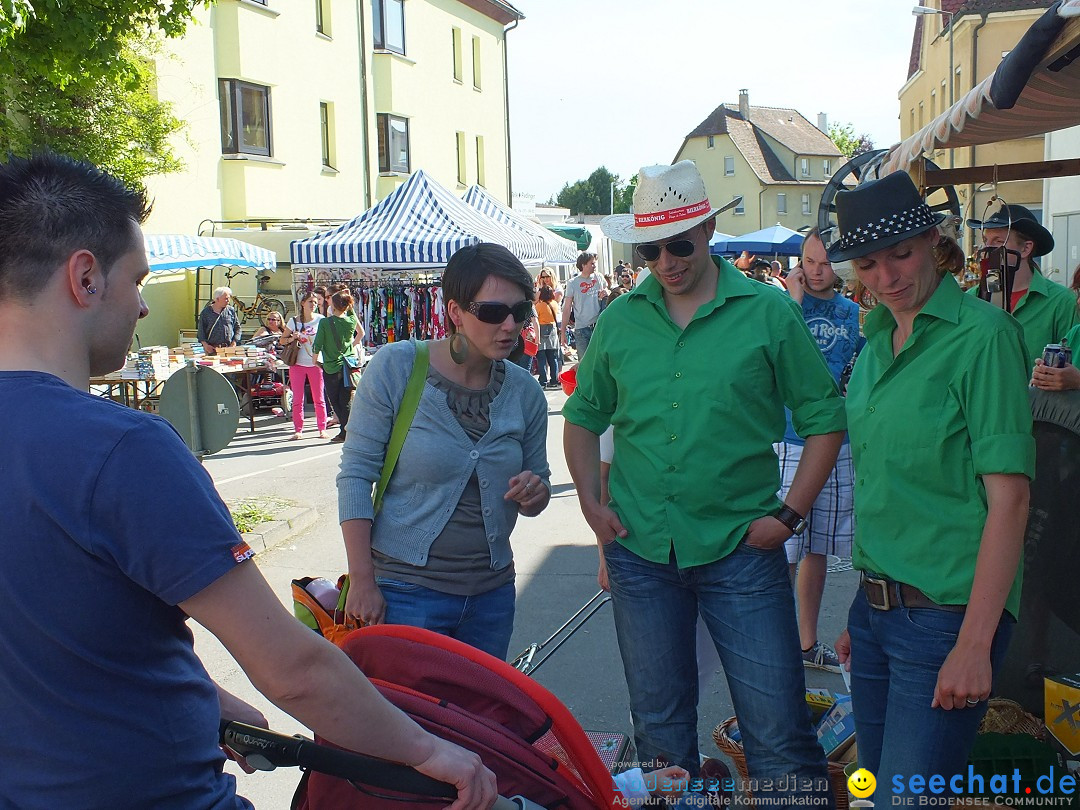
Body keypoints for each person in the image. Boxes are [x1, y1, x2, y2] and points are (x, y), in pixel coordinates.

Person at [0, 152, 497, 810]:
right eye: (137, 280)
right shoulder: (121, 450)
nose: (143, 305)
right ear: (85, 277)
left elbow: (57, 639)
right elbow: (291, 667)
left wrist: (205, 698)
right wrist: (430, 752)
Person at [563, 160, 844, 799]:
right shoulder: (621, 318)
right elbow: (582, 416)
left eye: (680, 244)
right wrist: (588, 500)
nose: (666, 261)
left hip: (741, 552)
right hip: (641, 551)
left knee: (778, 735)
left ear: (709, 228)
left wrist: (790, 516)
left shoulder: (767, 312)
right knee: (660, 736)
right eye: (650, 248)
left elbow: (826, 417)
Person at [830, 172, 1033, 791]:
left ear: (930, 240)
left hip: (946, 617)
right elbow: (885, 485)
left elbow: (1011, 501)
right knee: (871, 787)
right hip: (875, 611)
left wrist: (975, 643)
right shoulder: (874, 344)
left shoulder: (984, 338)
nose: (888, 276)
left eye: (901, 254)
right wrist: (862, 610)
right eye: (869, 263)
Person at [339, 243, 551, 661]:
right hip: (404, 593)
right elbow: (355, 475)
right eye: (492, 312)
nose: (510, 325)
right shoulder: (396, 368)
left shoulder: (525, 392)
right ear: (455, 312)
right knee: (407, 723)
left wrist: (535, 491)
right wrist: (363, 581)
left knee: (476, 723)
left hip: (491, 596)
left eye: (520, 311)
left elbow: (538, 486)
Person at [778, 227, 863, 673]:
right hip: (792, 439)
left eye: (825, 262)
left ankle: (806, 643)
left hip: (838, 440)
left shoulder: (852, 313)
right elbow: (774, 353)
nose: (815, 271)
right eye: (808, 260)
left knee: (817, 549)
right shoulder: (783, 306)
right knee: (783, 549)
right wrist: (792, 299)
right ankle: (774, 645)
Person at [967, 203, 1078, 367]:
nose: (987, 248)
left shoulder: (1062, 302)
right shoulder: (971, 300)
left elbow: (1073, 368)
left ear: (1026, 248)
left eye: (998, 241)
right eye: (985, 241)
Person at [312, 289, 364, 444]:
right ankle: (346, 431)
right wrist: (350, 347)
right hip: (348, 365)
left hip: (331, 366)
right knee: (346, 400)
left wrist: (315, 360)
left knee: (335, 401)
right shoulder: (350, 321)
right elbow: (361, 333)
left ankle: (346, 431)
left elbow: (318, 343)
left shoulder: (325, 322)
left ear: (333, 306)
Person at [282, 291, 328, 440]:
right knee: (297, 399)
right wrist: (292, 338)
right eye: (310, 302)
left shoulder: (321, 320)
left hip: (315, 363)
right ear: (303, 304)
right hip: (297, 364)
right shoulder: (294, 321)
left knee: (319, 398)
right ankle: (298, 430)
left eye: (315, 302)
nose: (313, 305)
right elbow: (282, 340)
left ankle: (322, 428)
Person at [560, 251, 608, 358]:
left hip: (598, 327)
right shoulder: (572, 283)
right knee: (584, 364)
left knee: (600, 361)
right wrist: (563, 332)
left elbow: (607, 293)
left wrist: (607, 293)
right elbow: (567, 308)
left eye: (595, 263)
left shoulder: (599, 277)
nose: (594, 266)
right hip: (581, 329)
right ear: (583, 265)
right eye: (592, 263)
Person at [197, 284, 242, 355]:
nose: (228, 301)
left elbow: (237, 328)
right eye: (226, 299)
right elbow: (201, 332)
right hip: (212, 350)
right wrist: (206, 345)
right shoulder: (206, 312)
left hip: (229, 349)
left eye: (228, 298)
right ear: (217, 299)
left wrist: (234, 342)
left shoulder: (231, 310)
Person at [536, 285, 561, 389]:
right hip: (553, 331)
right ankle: (554, 379)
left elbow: (536, 318)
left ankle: (543, 380)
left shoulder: (539, 305)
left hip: (541, 331)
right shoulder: (555, 304)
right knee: (553, 358)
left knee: (541, 358)